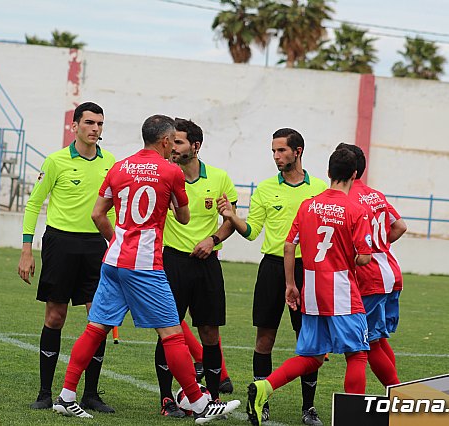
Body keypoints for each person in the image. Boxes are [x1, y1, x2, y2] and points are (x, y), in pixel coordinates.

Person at [52, 114, 240, 422]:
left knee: (96, 327)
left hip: (113, 261)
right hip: (144, 265)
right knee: (173, 334)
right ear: (165, 141)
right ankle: (200, 403)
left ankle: (66, 395)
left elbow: (98, 215)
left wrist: (118, 240)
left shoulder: (119, 166)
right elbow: (183, 218)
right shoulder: (170, 171)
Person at [244, 148, 373, 426]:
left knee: (311, 357)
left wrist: (291, 284)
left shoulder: (308, 205)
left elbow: (289, 245)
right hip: (341, 293)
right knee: (358, 354)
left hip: (311, 291)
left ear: (328, 173)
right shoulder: (356, 210)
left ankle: (263, 388)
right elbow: (364, 257)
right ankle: (355, 419)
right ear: (354, 175)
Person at [216, 128, 327, 425]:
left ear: (298, 151)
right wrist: (231, 216)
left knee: (309, 341)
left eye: (281, 151)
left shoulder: (319, 188)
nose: (276, 156)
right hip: (272, 269)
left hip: (308, 271)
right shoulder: (265, 189)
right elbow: (252, 232)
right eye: (274, 151)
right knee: (264, 338)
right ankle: (261, 401)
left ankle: (308, 408)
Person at [17, 102, 116, 413]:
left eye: (99, 124)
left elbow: (115, 205)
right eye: (89, 123)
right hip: (60, 244)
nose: (95, 129)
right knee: (55, 317)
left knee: (97, 320)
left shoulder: (110, 163)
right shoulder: (56, 161)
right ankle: (45, 393)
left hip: (96, 245)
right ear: (75, 126)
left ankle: (91, 394)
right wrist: (26, 249)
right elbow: (34, 204)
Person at [155, 118, 236, 417]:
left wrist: (212, 239)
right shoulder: (164, 174)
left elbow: (231, 220)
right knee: (168, 332)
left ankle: (212, 399)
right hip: (172, 262)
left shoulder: (219, 178)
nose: (172, 146)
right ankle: (166, 399)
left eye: (178, 142)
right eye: (171, 141)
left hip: (207, 264)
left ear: (195, 146)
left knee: (210, 333)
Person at [338, 143, 407, 386]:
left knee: (360, 346)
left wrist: (367, 250)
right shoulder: (375, 194)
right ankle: (397, 393)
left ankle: (396, 393)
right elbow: (400, 226)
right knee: (377, 339)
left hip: (368, 276)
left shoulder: (347, 197)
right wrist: (380, 245)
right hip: (389, 271)